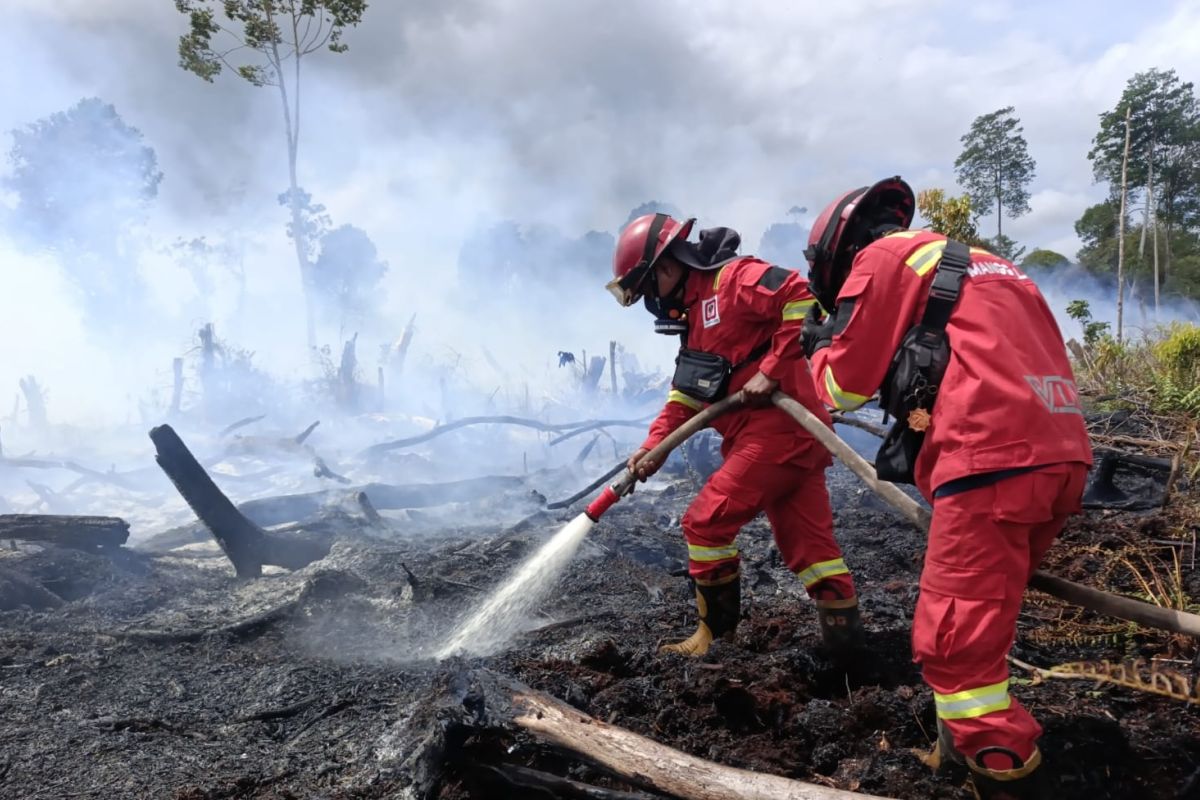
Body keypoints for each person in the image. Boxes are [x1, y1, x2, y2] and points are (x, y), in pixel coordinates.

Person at [800, 177, 1093, 800]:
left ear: (839, 255)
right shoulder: (993, 267)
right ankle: (954, 755)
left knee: (954, 649)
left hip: (990, 464)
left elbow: (842, 388)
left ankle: (1004, 773)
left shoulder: (883, 258)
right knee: (981, 627)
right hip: (1060, 455)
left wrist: (818, 345)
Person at [605, 212, 861, 659]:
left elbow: (802, 297)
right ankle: (847, 653)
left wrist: (772, 369)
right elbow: (686, 396)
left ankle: (715, 642)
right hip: (786, 441)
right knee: (813, 552)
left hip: (780, 432)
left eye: (648, 288)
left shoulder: (733, 280)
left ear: (668, 268)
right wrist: (653, 448)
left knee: (704, 523)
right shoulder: (695, 324)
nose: (651, 301)